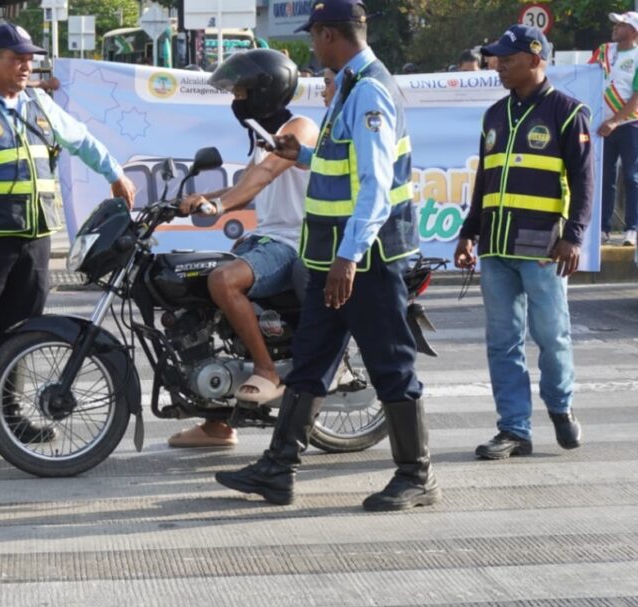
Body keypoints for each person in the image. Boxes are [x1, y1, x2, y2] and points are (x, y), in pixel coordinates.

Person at [215, 0, 440, 512]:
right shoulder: (350, 88)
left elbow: (376, 186)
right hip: (327, 260)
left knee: (390, 365)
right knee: (312, 361)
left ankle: (417, 475)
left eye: (314, 37)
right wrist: (306, 157)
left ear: (329, 34)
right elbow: (343, 161)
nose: (312, 48)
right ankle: (278, 470)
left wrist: (349, 258)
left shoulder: (371, 91)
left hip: (366, 261)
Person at [0, 23, 136, 444]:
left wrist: (114, 172)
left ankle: (10, 418)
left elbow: (81, 139)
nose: (26, 65)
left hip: (34, 239)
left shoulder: (40, 105)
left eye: (29, 57)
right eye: (16, 57)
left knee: (22, 332)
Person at [165, 49, 319, 448]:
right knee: (191, 301)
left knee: (223, 280)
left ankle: (268, 371)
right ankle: (217, 421)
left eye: (240, 90)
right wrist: (197, 197)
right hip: (262, 239)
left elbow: (264, 177)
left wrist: (218, 206)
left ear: (265, 90)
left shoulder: (299, 128)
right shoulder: (262, 139)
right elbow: (245, 184)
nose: (235, 98)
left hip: (290, 243)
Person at [454, 25, 591, 460]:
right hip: (495, 247)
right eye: (495, 58)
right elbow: (484, 181)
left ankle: (560, 405)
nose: (498, 66)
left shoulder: (568, 113)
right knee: (502, 342)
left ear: (535, 60)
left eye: (506, 59)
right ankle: (514, 430)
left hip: (544, 250)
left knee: (551, 336)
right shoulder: (493, 115)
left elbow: (585, 183)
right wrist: (468, 232)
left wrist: (573, 237)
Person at [591, 11, 638, 247]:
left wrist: (615, 121)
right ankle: (602, 228)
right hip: (602, 125)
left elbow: (636, 97)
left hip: (630, 125)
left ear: (633, 31)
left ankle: (633, 228)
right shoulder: (603, 50)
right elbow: (586, 77)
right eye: (616, 24)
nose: (615, 27)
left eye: (621, 24)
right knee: (603, 177)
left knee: (632, 177)